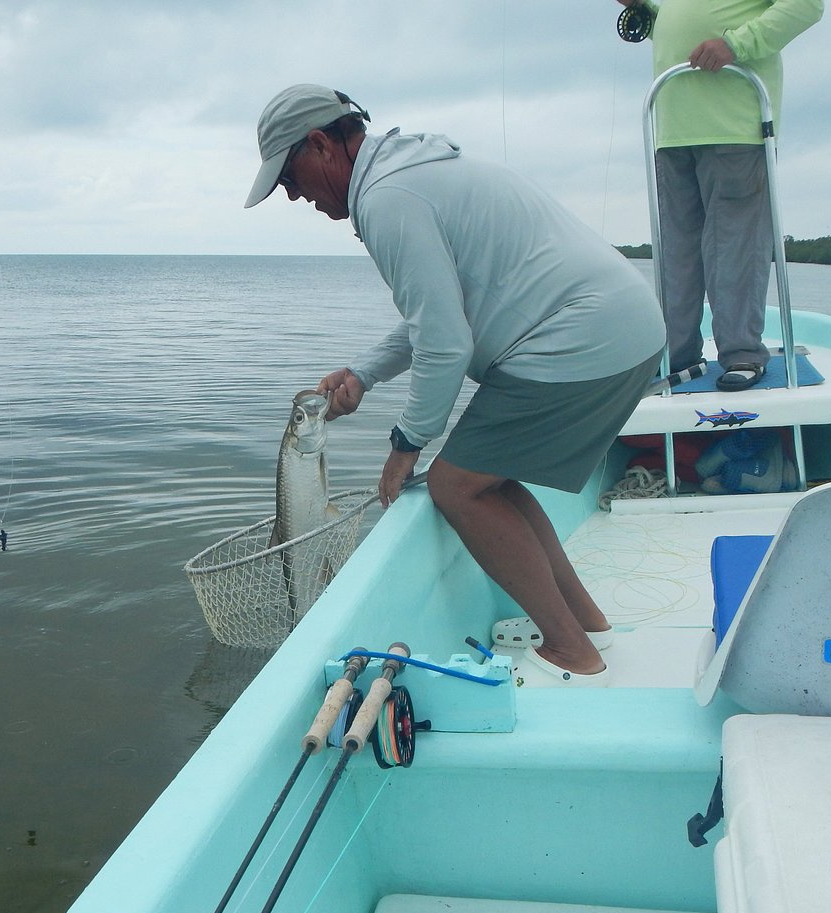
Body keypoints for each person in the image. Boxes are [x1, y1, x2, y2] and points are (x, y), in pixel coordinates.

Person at [245, 85, 666, 686]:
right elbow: (437, 317)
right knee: (489, 474)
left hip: (578, 340)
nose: (293, 194)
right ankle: (587, 622)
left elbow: (446, 344)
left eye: (289, 176)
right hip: (620, 328)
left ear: (321, 144)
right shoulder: (407, 174)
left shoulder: (389, 198)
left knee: (455, 486)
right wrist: (364, 374)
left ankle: (572, 651)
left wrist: (405, 446)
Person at [617, 0, 824, 391]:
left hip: (737, 127)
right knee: (676, 254)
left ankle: (742, 353)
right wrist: (646, 8)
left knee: (736, 248)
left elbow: (807, 5)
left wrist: (736, 45)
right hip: (672, 128)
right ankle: (674, 356)